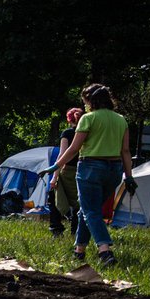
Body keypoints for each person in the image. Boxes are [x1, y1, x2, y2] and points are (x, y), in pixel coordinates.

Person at [40, 83, 134, 267]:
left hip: (90, 167)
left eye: (85, 102)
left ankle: (104, 251)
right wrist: (129, 176)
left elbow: (74, 148)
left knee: (92, 210)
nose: (85, 106)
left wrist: (55, 167)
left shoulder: (88, 119)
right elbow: (125, 151)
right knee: (87, 209)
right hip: (114, 170)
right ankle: (79, 251)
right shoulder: (121, 119)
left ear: (91, 101)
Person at [48, 107, 83, 237]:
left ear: (69, 120)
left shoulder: (67, 133)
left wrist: (54, 177)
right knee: (78, 203)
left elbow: (62, 155)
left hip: (67, 170)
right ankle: (76, 232)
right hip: (82, 169)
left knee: (54, 197)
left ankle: (56, 229)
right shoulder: (87, 133)